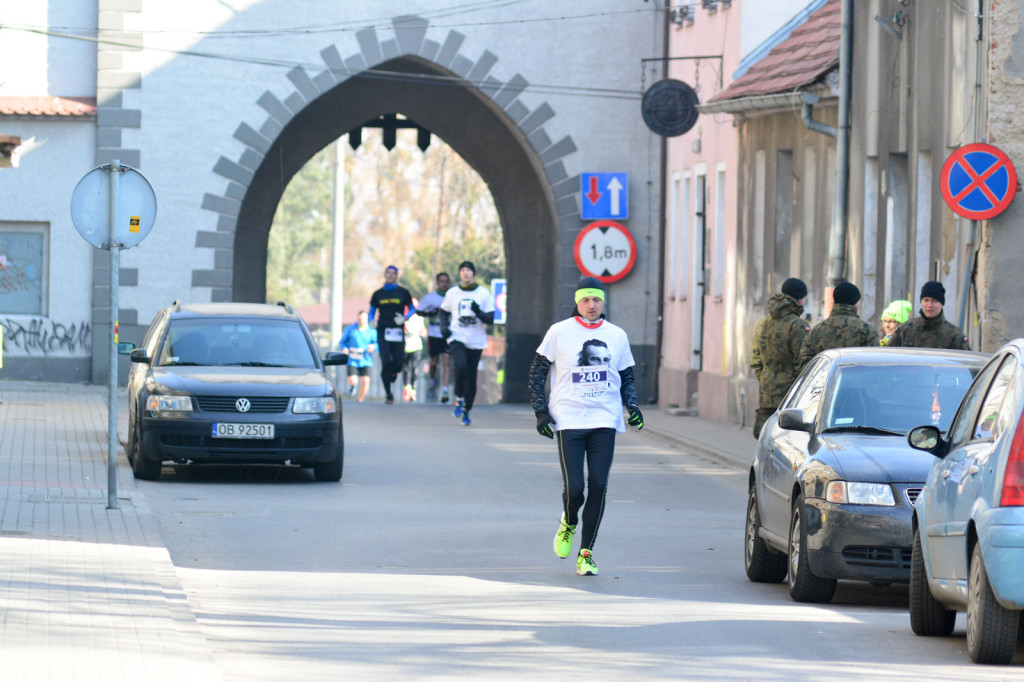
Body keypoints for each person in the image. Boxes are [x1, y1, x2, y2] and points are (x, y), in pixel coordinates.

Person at [528, 276, 643, 577]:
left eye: (596, 300)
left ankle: (586, 553)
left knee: (600, 486)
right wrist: (541, 413)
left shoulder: (616, 335)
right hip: (569, 421)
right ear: (577, 302)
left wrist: (632, 407)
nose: (592, 305)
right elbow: (537, 374)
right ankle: (569, 521)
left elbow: (626, 377)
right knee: (576, 489)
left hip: (604, 420)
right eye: (586, 300)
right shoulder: (559, 332)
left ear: (603, 301)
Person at [750, 277, 811, 439]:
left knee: (765, 440)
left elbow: (756, 360)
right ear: (799, 299)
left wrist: (766, 380)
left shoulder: (763, 323)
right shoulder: (797, 325)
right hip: (790, 396)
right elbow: (803, 363)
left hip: (766, 393)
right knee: (787, 440)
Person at [439, 261, 494, 426]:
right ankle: (458, 398)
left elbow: (490, 319)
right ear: (459, 274)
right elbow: (443, 312)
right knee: (460, 366)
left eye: (469, 270)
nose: (466, 272)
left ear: (473, 274)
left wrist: (478, 311)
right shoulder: (452, 293)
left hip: (476, 340)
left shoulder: (483, 293)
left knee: (471, 376)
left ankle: (467, 408)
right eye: (462, 270)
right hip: (457, 336)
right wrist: (444, 328)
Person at [798, 281, 879, 369]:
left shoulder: (817, 330)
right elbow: (875, 364)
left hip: (824, 377)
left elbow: (804, 362)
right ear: (856, 303)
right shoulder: (866, 331)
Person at [369, 265, 415, 404]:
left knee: (399, 364)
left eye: (393, 273)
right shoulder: (378, 294)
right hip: (383, 330)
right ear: (385, 275)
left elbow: (412, 309)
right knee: (385, 362)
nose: (390, 275)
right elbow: (372, 311)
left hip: (398, 331)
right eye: (388, 273)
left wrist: (405, 318)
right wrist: (371, 321)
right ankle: (388, 394)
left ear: (396, 275)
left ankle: (394, 372)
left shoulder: (403, 292)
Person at [886, 281, 970, 350]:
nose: (930, 305)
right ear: (921, 302)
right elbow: (888, 357)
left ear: (942, 304)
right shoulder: (904, 330)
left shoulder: (954, 336)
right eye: (926, 300)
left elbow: (967, 362)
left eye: (934, 301)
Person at [416, 272, 453, 402]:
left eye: (446, 281)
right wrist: (430, 313)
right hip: (434, 333)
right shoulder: (430, 298)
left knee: (447, 361)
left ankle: (445, 390)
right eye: (441, 281)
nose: (444, 284)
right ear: (437, 283)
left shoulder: (452, 297)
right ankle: (432, 381)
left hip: (447, 334)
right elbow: (419, 311)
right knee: (434, 361)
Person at [338, 310, 377, 402]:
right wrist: (345, 348)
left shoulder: (372, 331)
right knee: (353, 380)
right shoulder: (350, 329)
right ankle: (352, 386)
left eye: (363, 319)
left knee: (365, 381)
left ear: (367, 319)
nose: (361, 321)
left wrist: (373, 346)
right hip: (353, 359)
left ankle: (360, 400)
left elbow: (377, 343)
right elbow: (342, 342)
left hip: (365, 359)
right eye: (359, 319)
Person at [401, 298, 427, 402]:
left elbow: (423, 331)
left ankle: (413, 389)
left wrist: (423, 332)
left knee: (414, 368)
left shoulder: (419, 318)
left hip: (416, 346)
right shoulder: (403, 318)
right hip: (405, 347)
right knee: (405, 368)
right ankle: (406, 388)